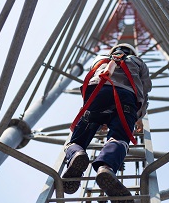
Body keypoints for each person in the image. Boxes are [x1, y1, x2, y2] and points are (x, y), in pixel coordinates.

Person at [62, 43, 152, 199]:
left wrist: (90, 109)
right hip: (127, 98)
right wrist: (138, 117)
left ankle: (76, 153)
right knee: (119, 138)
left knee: (76, 139)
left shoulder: (100, 58)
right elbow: (145, 88)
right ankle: (107, 168)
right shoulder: (138, 62)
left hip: (99, 92)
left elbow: (88, 79)